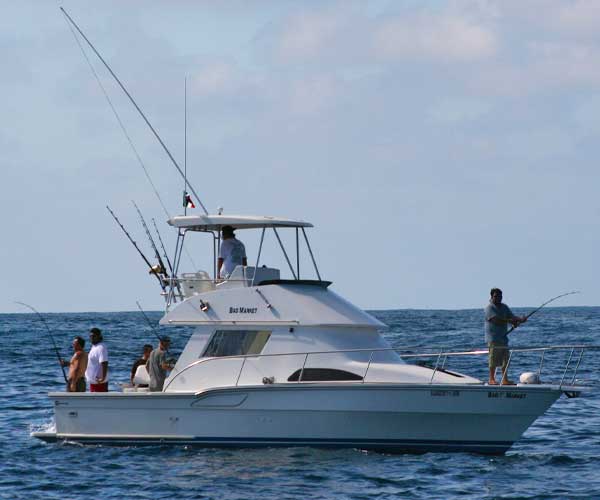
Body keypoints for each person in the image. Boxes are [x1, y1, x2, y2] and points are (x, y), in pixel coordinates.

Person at [485, 288, 527, 385]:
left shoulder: (504, 307)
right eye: (496, 296)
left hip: (503, 338)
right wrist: (510, 321)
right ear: (491, 297)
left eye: (500, 296)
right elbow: (496, 320)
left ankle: (505, 379)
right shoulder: (489, 308)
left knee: (505, 359)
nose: (498, 298)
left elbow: (511, 316)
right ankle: (491, 379)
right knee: (493, 359)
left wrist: (520, 319)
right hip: (493, 339)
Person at [85, 327, 109, 392]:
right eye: (90, 336)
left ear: (99, 336)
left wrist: (102, 378)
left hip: (99, 383)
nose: (91, 338)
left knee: (100, 402)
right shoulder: (94, 347)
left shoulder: (101, 347)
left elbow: (104, 362)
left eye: (93, 336)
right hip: (93, 383)